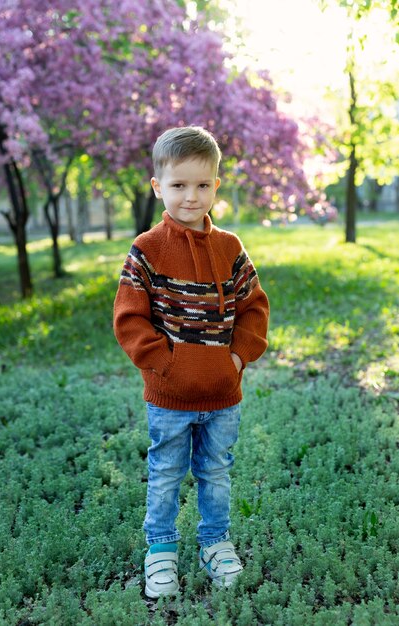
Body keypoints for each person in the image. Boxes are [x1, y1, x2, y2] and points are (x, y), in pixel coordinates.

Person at [113, 126, 269, 598]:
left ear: (216, 186)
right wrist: (165, 365)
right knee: (165, 472)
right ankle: (160, 550)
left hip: (223, 394)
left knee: (215, 470)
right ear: (158, 186)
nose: (191, 196)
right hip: (170, 395)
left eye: (203, 185)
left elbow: (254, 306)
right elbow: (130, 318)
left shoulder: (230, 248)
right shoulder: (147, 249)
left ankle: (214, 543)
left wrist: (238, 358)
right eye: (179, 185)